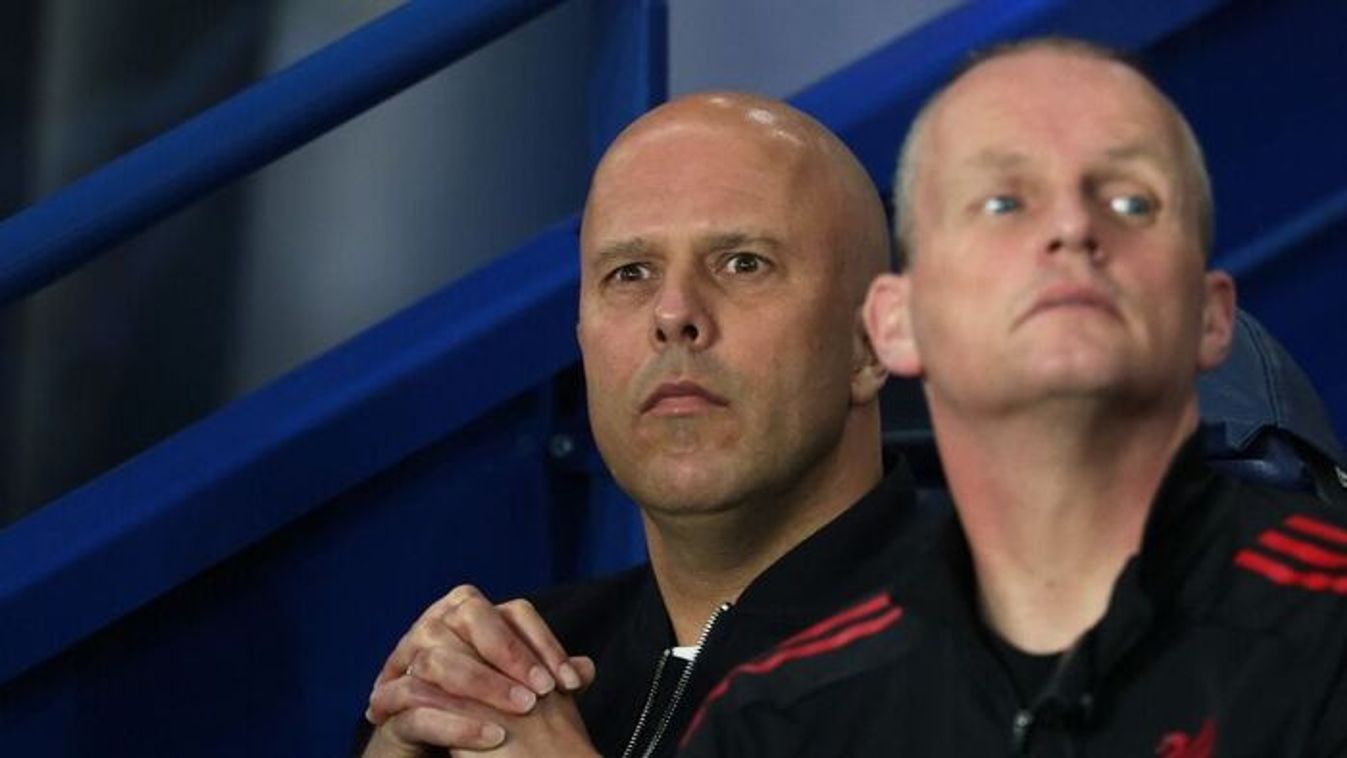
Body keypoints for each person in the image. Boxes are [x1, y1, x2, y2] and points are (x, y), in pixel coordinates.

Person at [679, 37, 1347, 756]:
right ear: (894, 325)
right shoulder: (774, 723)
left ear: (1211, 318)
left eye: (1130, 202)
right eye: (1003, 203)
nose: (1072, 228)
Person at [357, 92, 929, 757]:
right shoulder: (511, 678)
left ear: (870, 341)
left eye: (743, 263)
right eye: (630, 273)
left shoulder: (1003, 656)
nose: (673, 313)